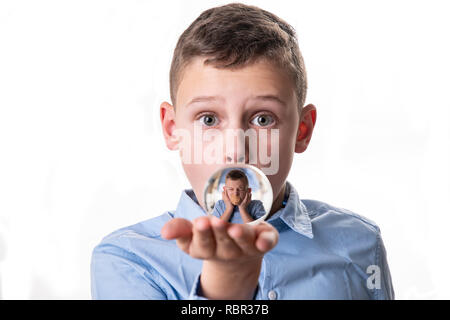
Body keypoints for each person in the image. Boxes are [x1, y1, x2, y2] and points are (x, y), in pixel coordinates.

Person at [90, 3, 394, 300]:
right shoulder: (127, 260)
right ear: (172, 129)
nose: (236, 151)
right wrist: (226, 288)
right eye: (208, 120)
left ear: (302, 131)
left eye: (263, 119)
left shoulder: (360, 243)